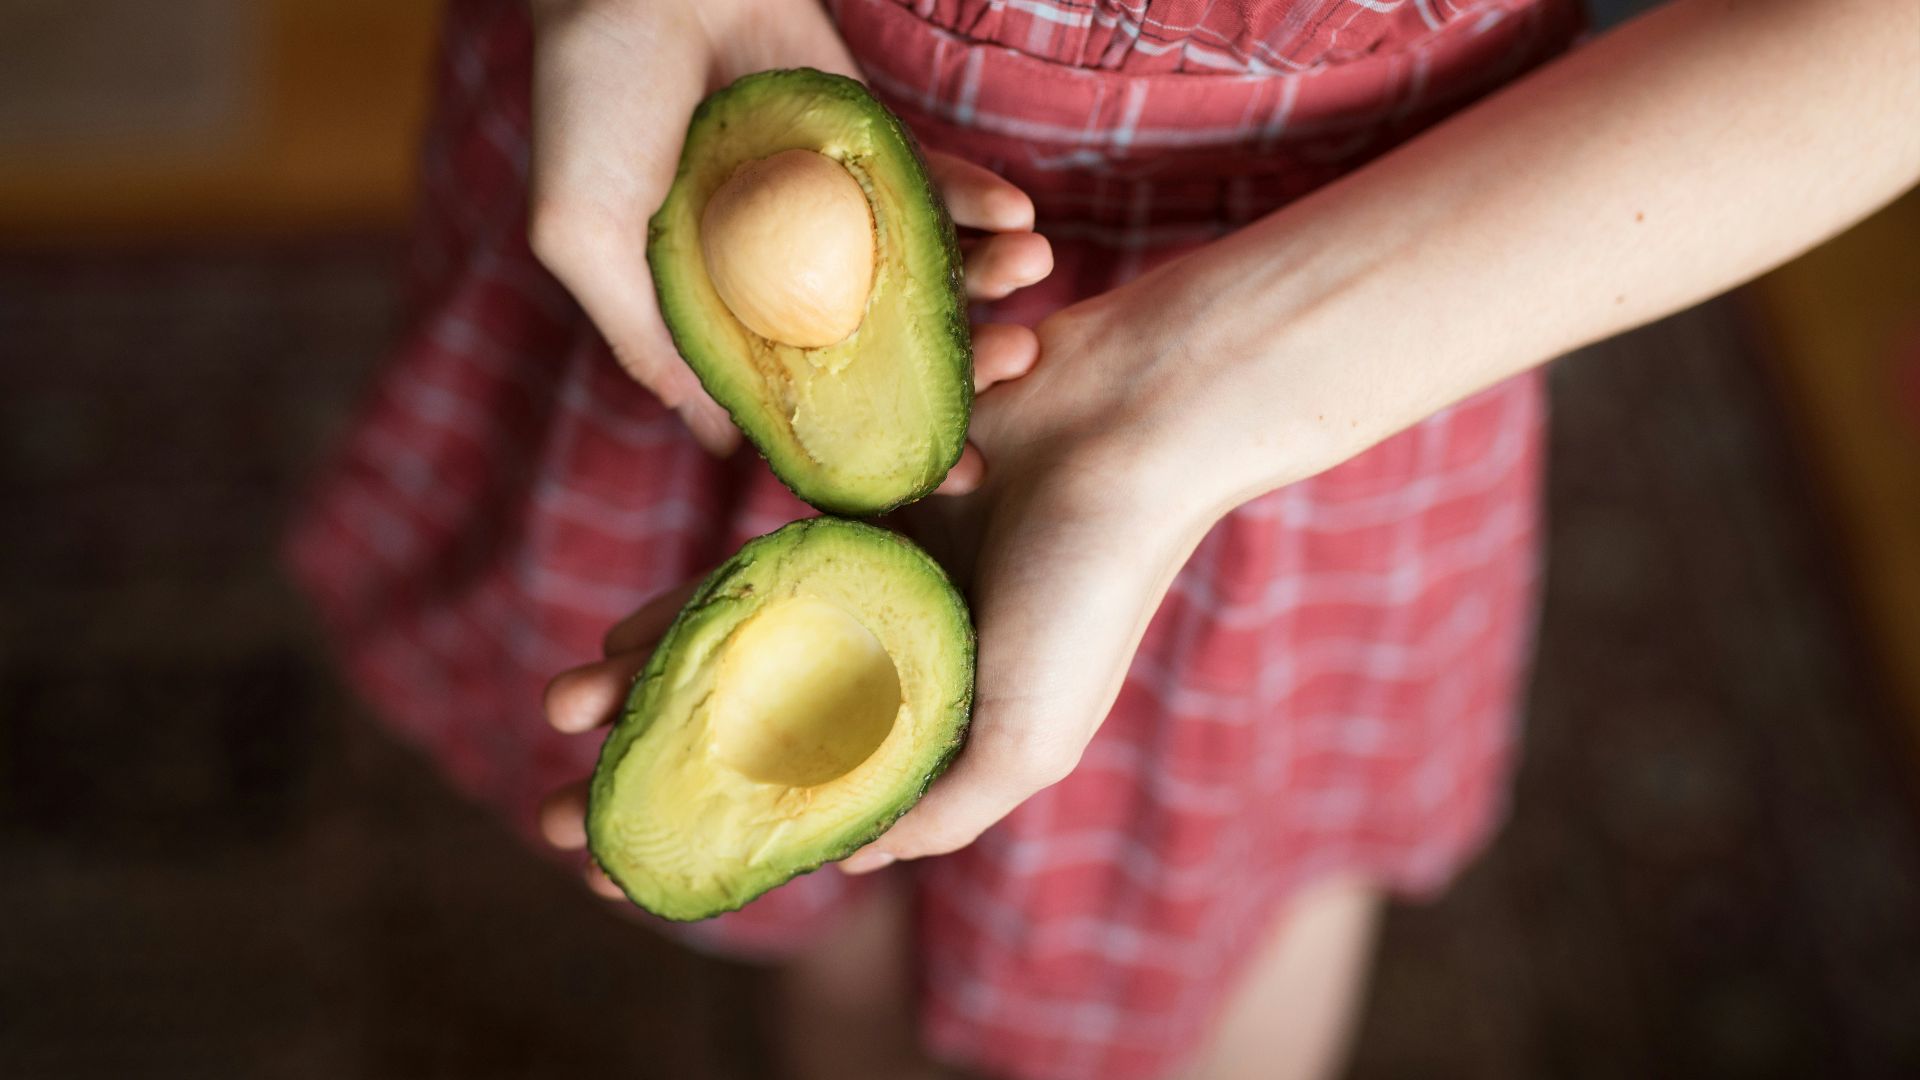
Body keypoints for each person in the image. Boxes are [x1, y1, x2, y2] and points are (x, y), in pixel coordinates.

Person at [287, 0, 1920, 1076]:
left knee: (1225, 951)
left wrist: (1190, 400)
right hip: (717, 88)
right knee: (843, 957)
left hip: (1375, 284)